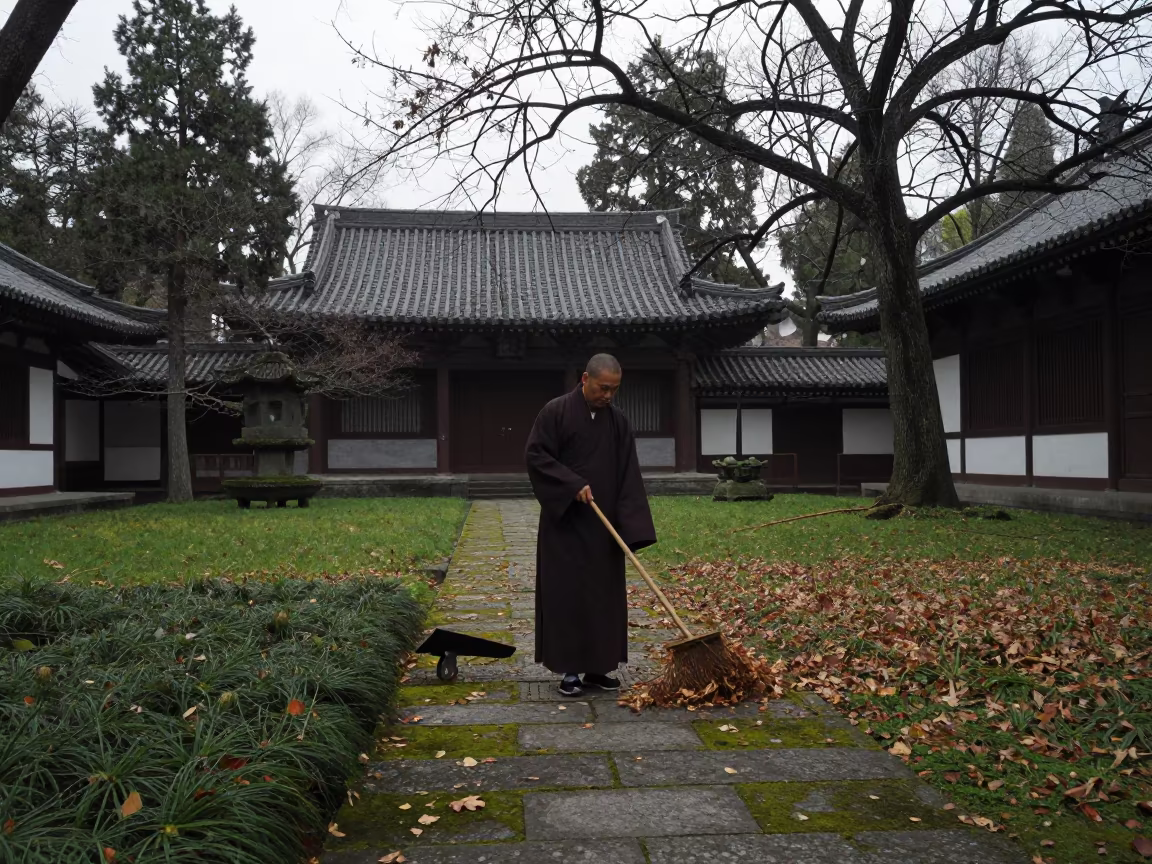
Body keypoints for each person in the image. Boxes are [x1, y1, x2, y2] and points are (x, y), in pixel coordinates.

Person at [524, 353, 657, 696]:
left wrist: (633, 528)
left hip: (603, 526)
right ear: (585, 379)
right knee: (567, 596)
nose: (608, 395)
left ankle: (599, 667)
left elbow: (628, 474)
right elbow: (536, 455)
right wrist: (570, 484)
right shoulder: (555, 412)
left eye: (614, 389)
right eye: (603, 388)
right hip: (565, 525)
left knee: (602, 598)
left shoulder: (619, 423)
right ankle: (570, 671)